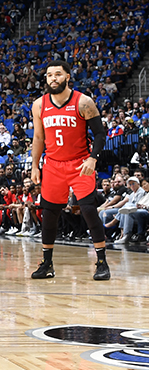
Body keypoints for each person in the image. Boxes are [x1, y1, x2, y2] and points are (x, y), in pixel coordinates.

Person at [30, 60, 109, 280]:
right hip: (53, 165)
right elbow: (38, 138)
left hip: (80, 163)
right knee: (49, 214)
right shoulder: (39, 105)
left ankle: (102, 262)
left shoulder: (83, 102)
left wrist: (93, 158)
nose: (53, 78)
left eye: (57, 74)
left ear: (67, 77)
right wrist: (34, 165)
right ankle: (47, 264)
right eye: (49, 75)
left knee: (88, 209)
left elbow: (100, 134)